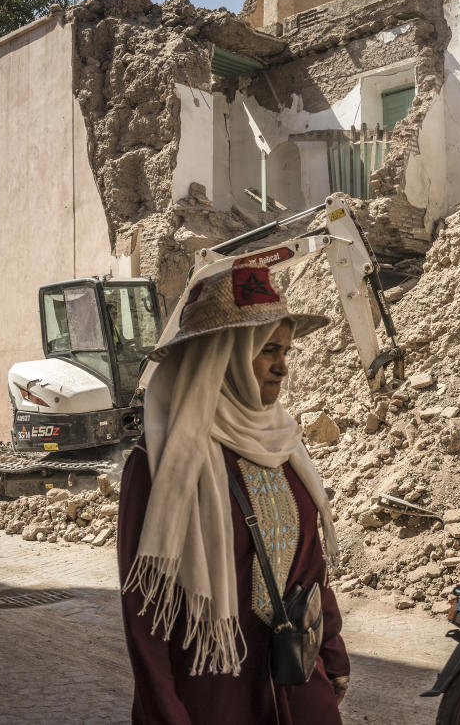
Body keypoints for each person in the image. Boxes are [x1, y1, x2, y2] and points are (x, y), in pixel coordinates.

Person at [118, 266, 350, 724]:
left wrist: (331, 652)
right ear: (223, 356)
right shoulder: (162, 462)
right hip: (213, 695)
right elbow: (145, 611)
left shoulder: (284, 445)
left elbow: (309, 566)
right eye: (267, 350)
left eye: (286, 350)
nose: (282, 365)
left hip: (295, 688)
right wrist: (167, 712)